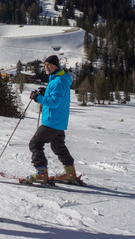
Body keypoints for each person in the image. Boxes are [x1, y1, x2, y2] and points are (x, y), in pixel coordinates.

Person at [24, 55, 78, 184]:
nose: (47, 67)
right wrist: (45, 93)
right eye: (46, 64)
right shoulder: (59, 79)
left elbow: (54, 102)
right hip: (59, 120)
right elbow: (55, 96)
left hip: (52, 120)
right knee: (58, 146)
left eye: (50, 65)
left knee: (35, 144)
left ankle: (41, 173)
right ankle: (70, 173)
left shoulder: (58, 81)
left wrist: (38, 98)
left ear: (56, 66)